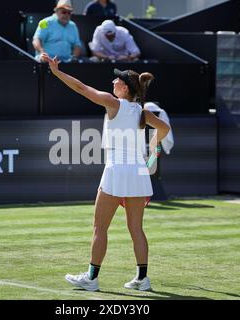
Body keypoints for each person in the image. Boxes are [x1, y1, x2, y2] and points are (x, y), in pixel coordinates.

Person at [40, 52, 170, 291]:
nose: (113, 82)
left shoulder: (114, 103)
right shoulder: (143, 111)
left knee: (100, 227)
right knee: (136, 228)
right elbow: (164, 128)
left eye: (117, 80)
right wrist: (154, 146)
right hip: (139, 173)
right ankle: (142, 279)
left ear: (125, 88)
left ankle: (91, 278)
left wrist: (56, 72)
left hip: (117, 170)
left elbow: (81, 88)